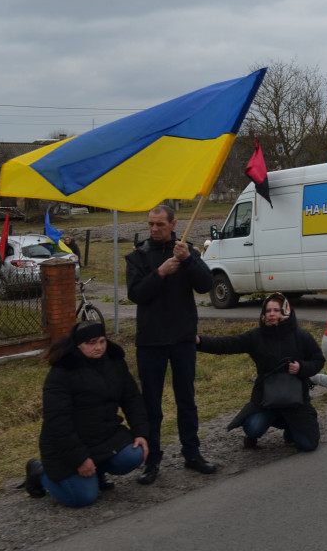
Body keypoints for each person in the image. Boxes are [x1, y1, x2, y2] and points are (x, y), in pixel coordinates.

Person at [127, 204, 216, 484]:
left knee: (186, 399)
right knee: (151, 404)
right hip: (150, 341)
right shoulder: (138, 256)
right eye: (151, 224)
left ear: (173, 224)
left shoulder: (186, 251)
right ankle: (151, 461)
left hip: (182, 339)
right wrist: (161, 272)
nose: (154, 229)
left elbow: (206, 285)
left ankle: (192, 454)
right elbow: (136, 294)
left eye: (160, 225)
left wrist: (188, 260)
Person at [23, 321, 149, 507]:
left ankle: (96, 471)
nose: (98, 348)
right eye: (90, 343)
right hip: (64, 446)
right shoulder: (62, 372)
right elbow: (58, 422)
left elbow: (132, 399)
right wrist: (80, 458)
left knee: (134, 454)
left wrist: (141, 432)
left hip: (103, 436)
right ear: (78, 345)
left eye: (101, 341)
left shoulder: (115, 362)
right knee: (82, 498)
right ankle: (39, 473)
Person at [196, 293, 325, 452]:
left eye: (276, 310)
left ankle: (291, 428)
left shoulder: (301, 336)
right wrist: (199, 342)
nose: (271, 314)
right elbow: (226, 344)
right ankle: (273, 424)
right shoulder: (255, 336)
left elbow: (319, 361)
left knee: (308, 445)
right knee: (253, 428)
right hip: (265, 399)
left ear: (285, 311)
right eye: (268, 310)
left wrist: (301, 368)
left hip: (295, 400)